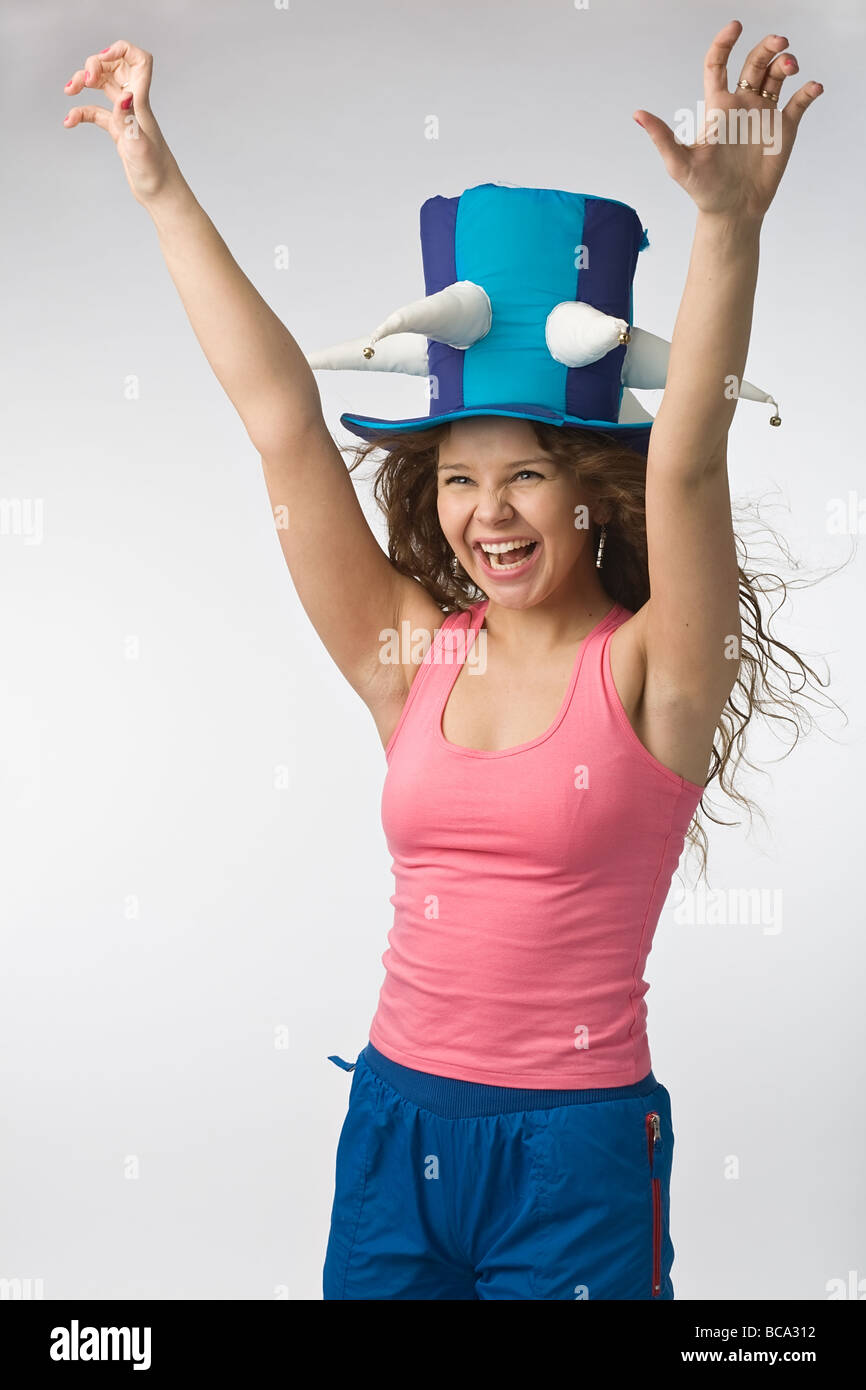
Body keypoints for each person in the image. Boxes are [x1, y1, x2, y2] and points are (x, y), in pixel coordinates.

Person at [64, 20, 825, 1300]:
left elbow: (689, 457)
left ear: (588, 491)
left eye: (525, 473)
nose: (488, 515)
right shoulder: (412, 654)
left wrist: (728, 226)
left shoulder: (652, 674)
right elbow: (280, 424)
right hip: (393, 1126)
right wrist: (155, 175)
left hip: (572, 1152)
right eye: (461, 479)